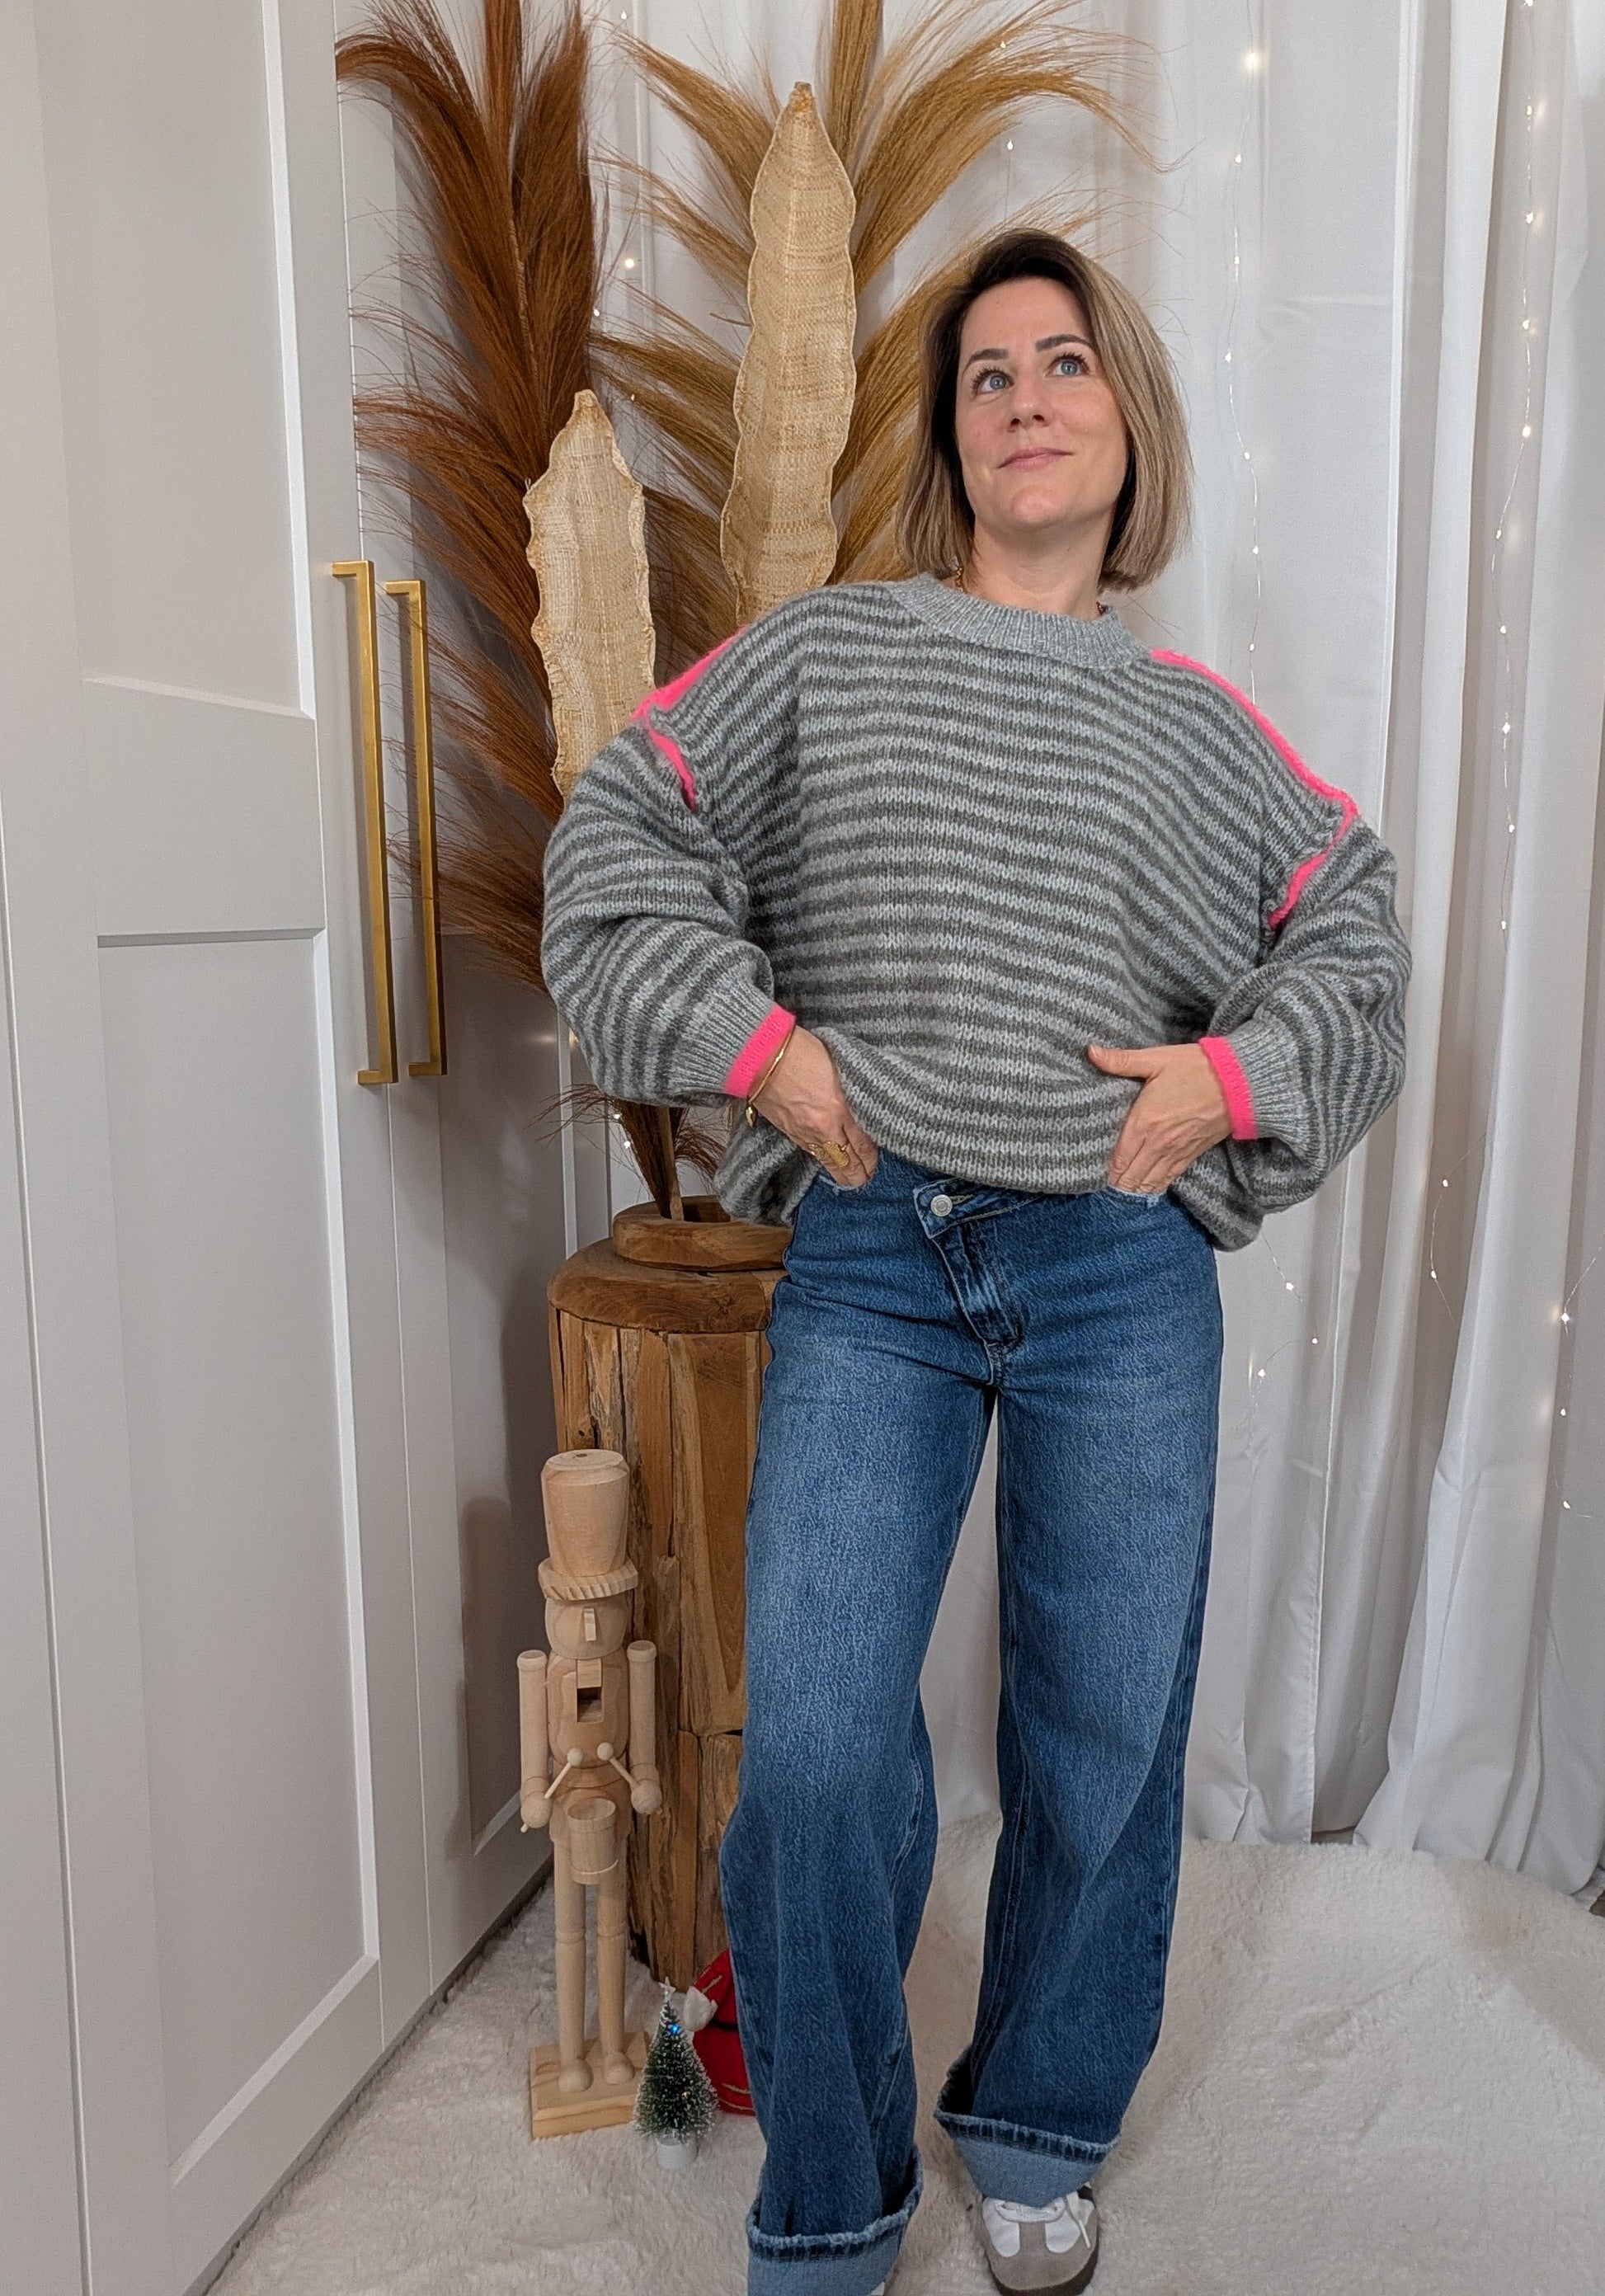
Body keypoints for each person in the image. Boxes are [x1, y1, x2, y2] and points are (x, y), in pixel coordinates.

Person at [539, 228, 1410, 2296]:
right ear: (948, 439)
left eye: (1066, 363)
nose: (1026, 398)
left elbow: (1356, 930)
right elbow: (615, 831)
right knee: (819, 1745)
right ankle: (832, 2192)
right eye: (988, 374)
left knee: (1104, 1728)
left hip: (1118, 1270)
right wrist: (761, 1049)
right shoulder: (830, 654)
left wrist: (1229, 1079)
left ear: (1130, 424)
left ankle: (1034, 2124)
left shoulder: (1197, 726)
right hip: (876, 1249)